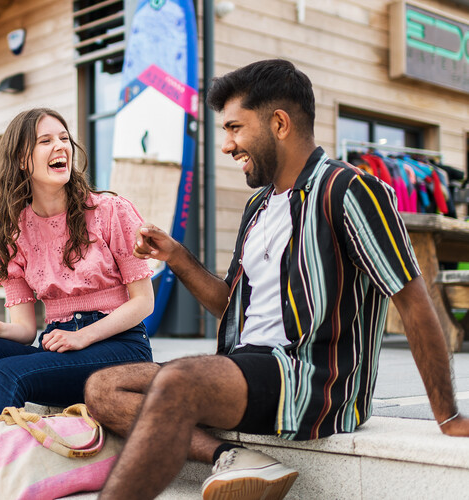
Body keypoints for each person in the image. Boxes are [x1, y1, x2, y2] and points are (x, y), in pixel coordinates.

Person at [84, 59, 469, 500]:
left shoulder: (348, 190)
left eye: (234, 128)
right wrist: (176, 256)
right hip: (251, 370)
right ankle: (231, 457)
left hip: (314, 381)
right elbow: (232, 306)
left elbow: (414, 301)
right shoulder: (259, 207)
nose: (227, 146)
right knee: (104, 387)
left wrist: (448, 415)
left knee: (177, 382)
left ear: (280, 123)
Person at [0, 107, 156, 500]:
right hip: (58, 351)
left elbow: (143, 302)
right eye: (45, 141)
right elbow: (26, 329)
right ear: (22, 159)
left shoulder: (111, 211)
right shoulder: (13, 232)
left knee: (10, 373)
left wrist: (84, 337)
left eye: (63, 138)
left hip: (120, 347)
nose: (60, 146)